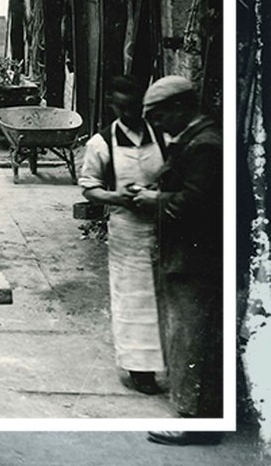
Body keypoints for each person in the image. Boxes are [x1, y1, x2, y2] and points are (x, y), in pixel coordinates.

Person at [132, 76, 223, 445]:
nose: (157, 125)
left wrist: (157, 202)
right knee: (191, 333)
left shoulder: (205, 145)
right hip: (190, 255)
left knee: (192, 335)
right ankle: (198, 412)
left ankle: (195, 421)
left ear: (180, 108)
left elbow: (197, 202)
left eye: (159, 115)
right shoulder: (193, 140)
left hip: (196, 257)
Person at [79, 76, 166, 395]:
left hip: (162, 224)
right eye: (123, 106)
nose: (129, 112)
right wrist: (118, 197)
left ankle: (169, 359)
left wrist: (157, 194)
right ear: (113, 105)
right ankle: (140, 369)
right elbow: (89, 189)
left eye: (135, 106)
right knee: (133, 297)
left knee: (165, 294)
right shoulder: (101, 143)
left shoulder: (161, 135)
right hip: (127, 229)